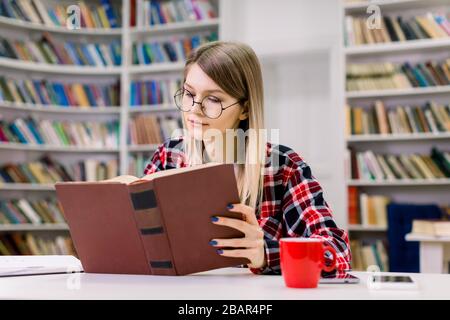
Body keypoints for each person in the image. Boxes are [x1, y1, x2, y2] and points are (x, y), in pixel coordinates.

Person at [143, 41, 351, 274]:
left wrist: (265, 253)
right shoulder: (168, 156)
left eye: (214, 100)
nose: (194, 109)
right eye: (189, 94)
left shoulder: (284, 168)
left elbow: (336, 254)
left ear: (244, 109)